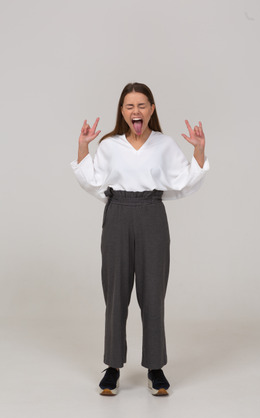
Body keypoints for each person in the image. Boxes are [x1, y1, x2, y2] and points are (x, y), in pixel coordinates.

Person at [71, 82, 210, 396]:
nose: (136, 111)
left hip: (151, 213)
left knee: (152, 295)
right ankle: (112, 366)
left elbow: (183, 181)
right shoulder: (109, 145)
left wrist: (198, 151)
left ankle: (155, 367)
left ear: (152, 109)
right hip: (118, 212)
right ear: (122, 110)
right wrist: (83, 145)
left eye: (142, 105)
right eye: (130, 106)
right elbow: (92, 180)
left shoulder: (164, 144)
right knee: (116, 295)